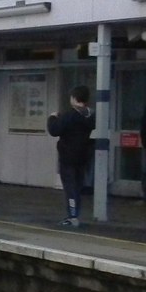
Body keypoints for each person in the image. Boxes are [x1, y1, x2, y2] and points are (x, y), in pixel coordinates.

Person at [47, 85, 95, 227]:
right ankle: (75, 213)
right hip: (83, 156)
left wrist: (52, 117)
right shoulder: (91, 115)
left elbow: (54, 130)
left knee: (70, 187)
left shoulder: (70, 116)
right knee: (77, 186)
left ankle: (72, 216)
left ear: (74, 98)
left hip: (68, 157)